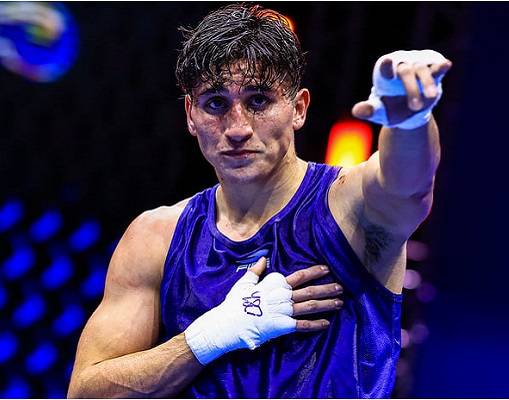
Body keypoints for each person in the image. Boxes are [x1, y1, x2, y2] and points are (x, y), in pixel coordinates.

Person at [67, 3, 451, 398]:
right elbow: (85, 393)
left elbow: (408, 185)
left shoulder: (348, 206)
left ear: (298, 108)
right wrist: (209, 337)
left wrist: (409, 121)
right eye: (215, 103)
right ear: (190, 115)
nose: (237, 128)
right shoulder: (156, 238)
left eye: (258, 100)